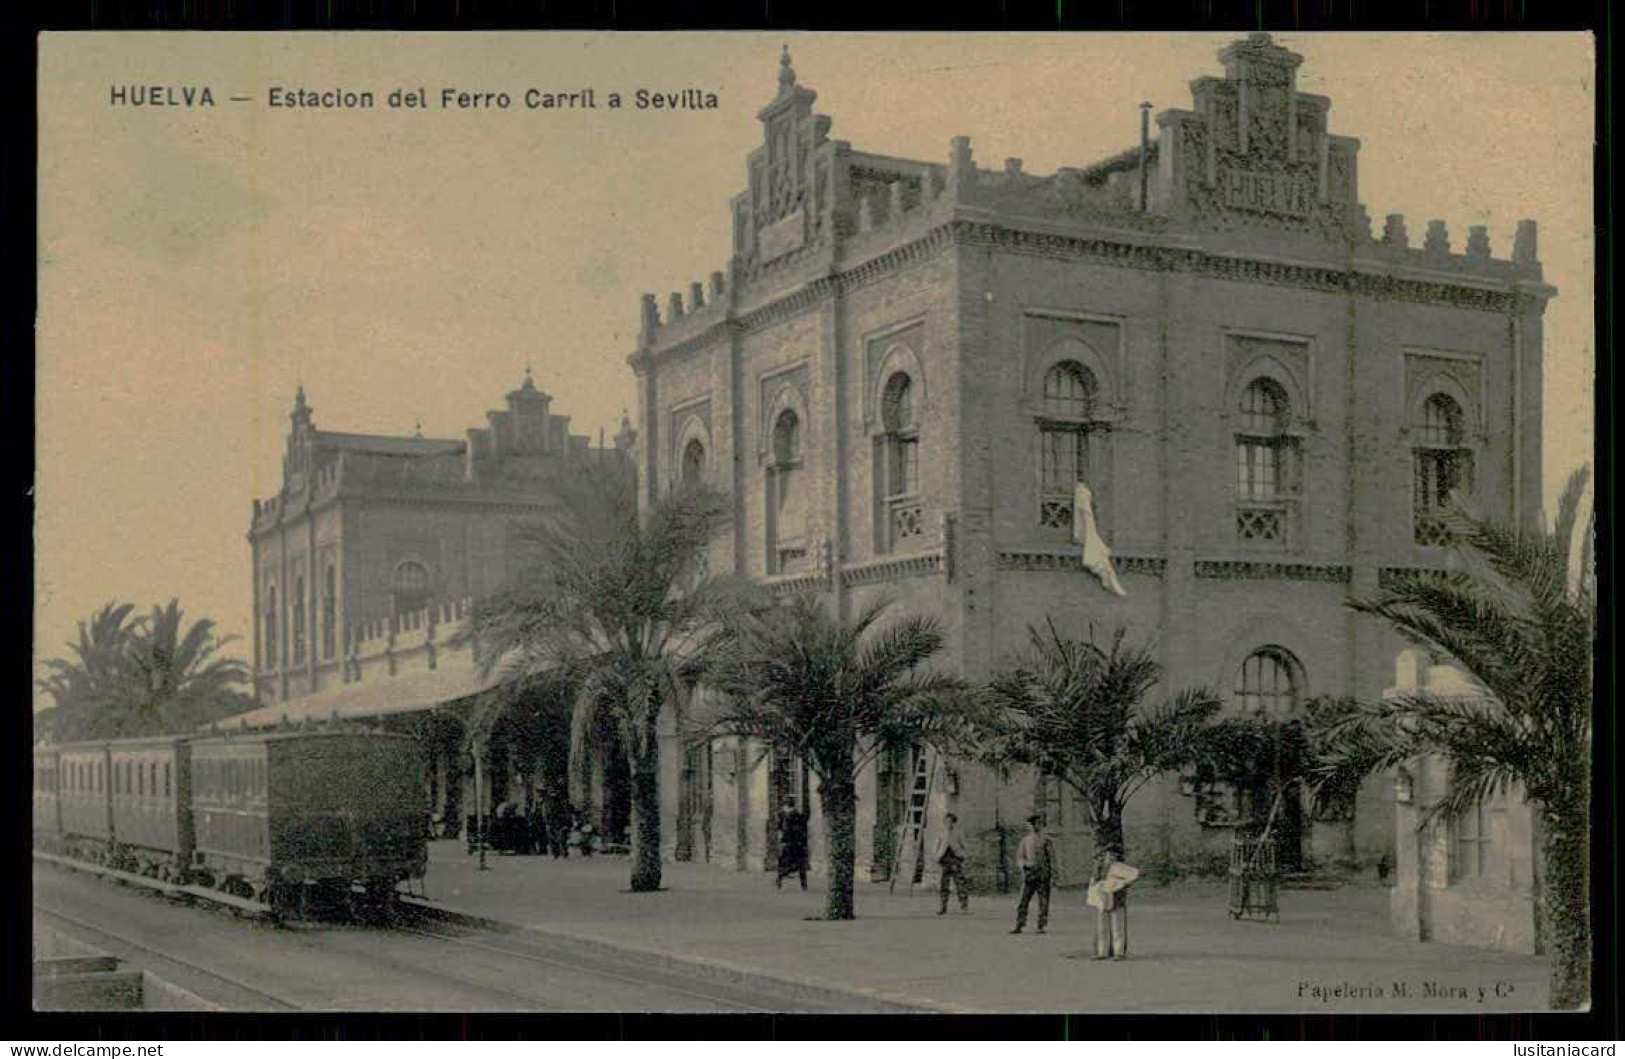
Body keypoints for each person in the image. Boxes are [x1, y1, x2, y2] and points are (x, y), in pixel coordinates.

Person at [1010, 813, 1055, 934]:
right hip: (1030, 873)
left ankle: (1041, 925)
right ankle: (1020, 923)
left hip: (1043, 873)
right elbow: (1020, 857)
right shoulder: (1025, 841)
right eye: (1034, 825)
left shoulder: (1046, 840)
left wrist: (1053, 874)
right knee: (1024, 899)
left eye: (1039, 824)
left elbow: (1051, 858)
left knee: (1043, 900)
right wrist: (1023, 866)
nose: (1036, 827)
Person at [1088, 844, 1134, 960]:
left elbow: (1128, 881)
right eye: (1107, 855)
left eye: (1111, 855)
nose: (1108, 857)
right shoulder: (1100, 867)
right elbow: (1095, 881)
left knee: (1117, 926)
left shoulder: (1121, 869)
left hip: (1117, 898)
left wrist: (1121, 885)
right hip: (1103, 898)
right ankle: (1102, 951)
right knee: (1102, 926)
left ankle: (1118, 952)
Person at [934, 811, 970, 915]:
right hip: (944, 860)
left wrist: (962, 856)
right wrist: (937, 857)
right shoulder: (941, 833)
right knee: (943, 884)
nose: (948, 824)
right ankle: (943, 907)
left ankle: (964, 906)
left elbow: (965, 846)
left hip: (955, 859)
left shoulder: (958, 833)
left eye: (950, 822)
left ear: (954, 823)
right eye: (946, 822)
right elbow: (936, 847)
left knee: (960, 884)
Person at [775, 805, 809, 890]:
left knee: (787, 865)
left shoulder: (790, 825)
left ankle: (779, 879)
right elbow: (804, 836)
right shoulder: (800, 824)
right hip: (798, 848)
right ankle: (803, 884)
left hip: (791, 848)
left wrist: (783, 842)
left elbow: (785, 836)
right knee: (800, 866)